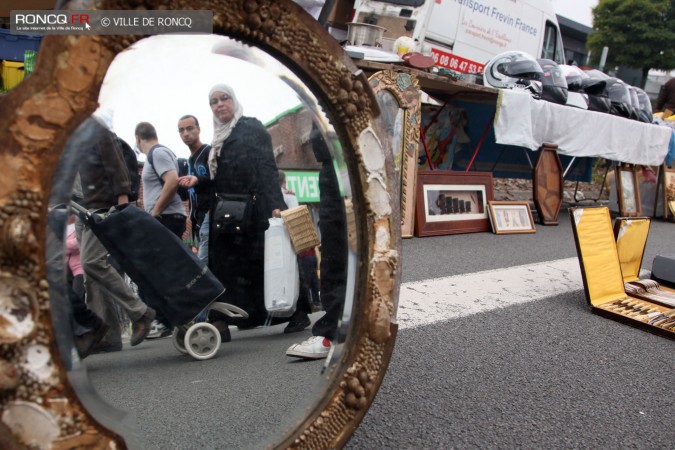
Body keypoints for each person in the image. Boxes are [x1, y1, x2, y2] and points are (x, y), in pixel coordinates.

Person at [179, 83, 311, 339]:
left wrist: (275, 204)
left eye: (224, 98)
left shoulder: (251, 127)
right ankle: (221, 321)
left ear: (234, 100)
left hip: (255, 210)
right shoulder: (218, 138)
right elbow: (221, 177)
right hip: (226, 213)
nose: (219, 105)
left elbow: (266, 167)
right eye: (214, 101)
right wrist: (200, 181)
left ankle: (297, 312)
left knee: (268, 262)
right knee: (224, 266)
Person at [75, 121, 156, 349]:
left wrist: (120, 210)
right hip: (86, 211)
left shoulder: (99, 132)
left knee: (91, 262)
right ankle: (105, 335)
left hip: (103, 210)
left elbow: (118, 171)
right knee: (92, 275)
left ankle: (140, 312)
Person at [286, 125, 348, 359]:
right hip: (335, 163)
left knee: (338, 251)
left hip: (348, 159)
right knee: (336, 248)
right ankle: (343, 328)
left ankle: (334, 333)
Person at [135, 122, 187, 238]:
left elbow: (172, 181)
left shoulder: (157, 153)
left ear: (138, 138)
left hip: (166, 217)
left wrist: (155, 212)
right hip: (166, 217)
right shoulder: (159, 153)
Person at [177, 115, 212, 263]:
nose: (185, 133)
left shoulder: (209, 152)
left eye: (190, 128)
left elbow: (220, 179)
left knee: (204, 268)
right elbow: (188, 197)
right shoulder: (188, 161)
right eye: (181, 130)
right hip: (197, 220)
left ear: (199, 129)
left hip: (210, 217)